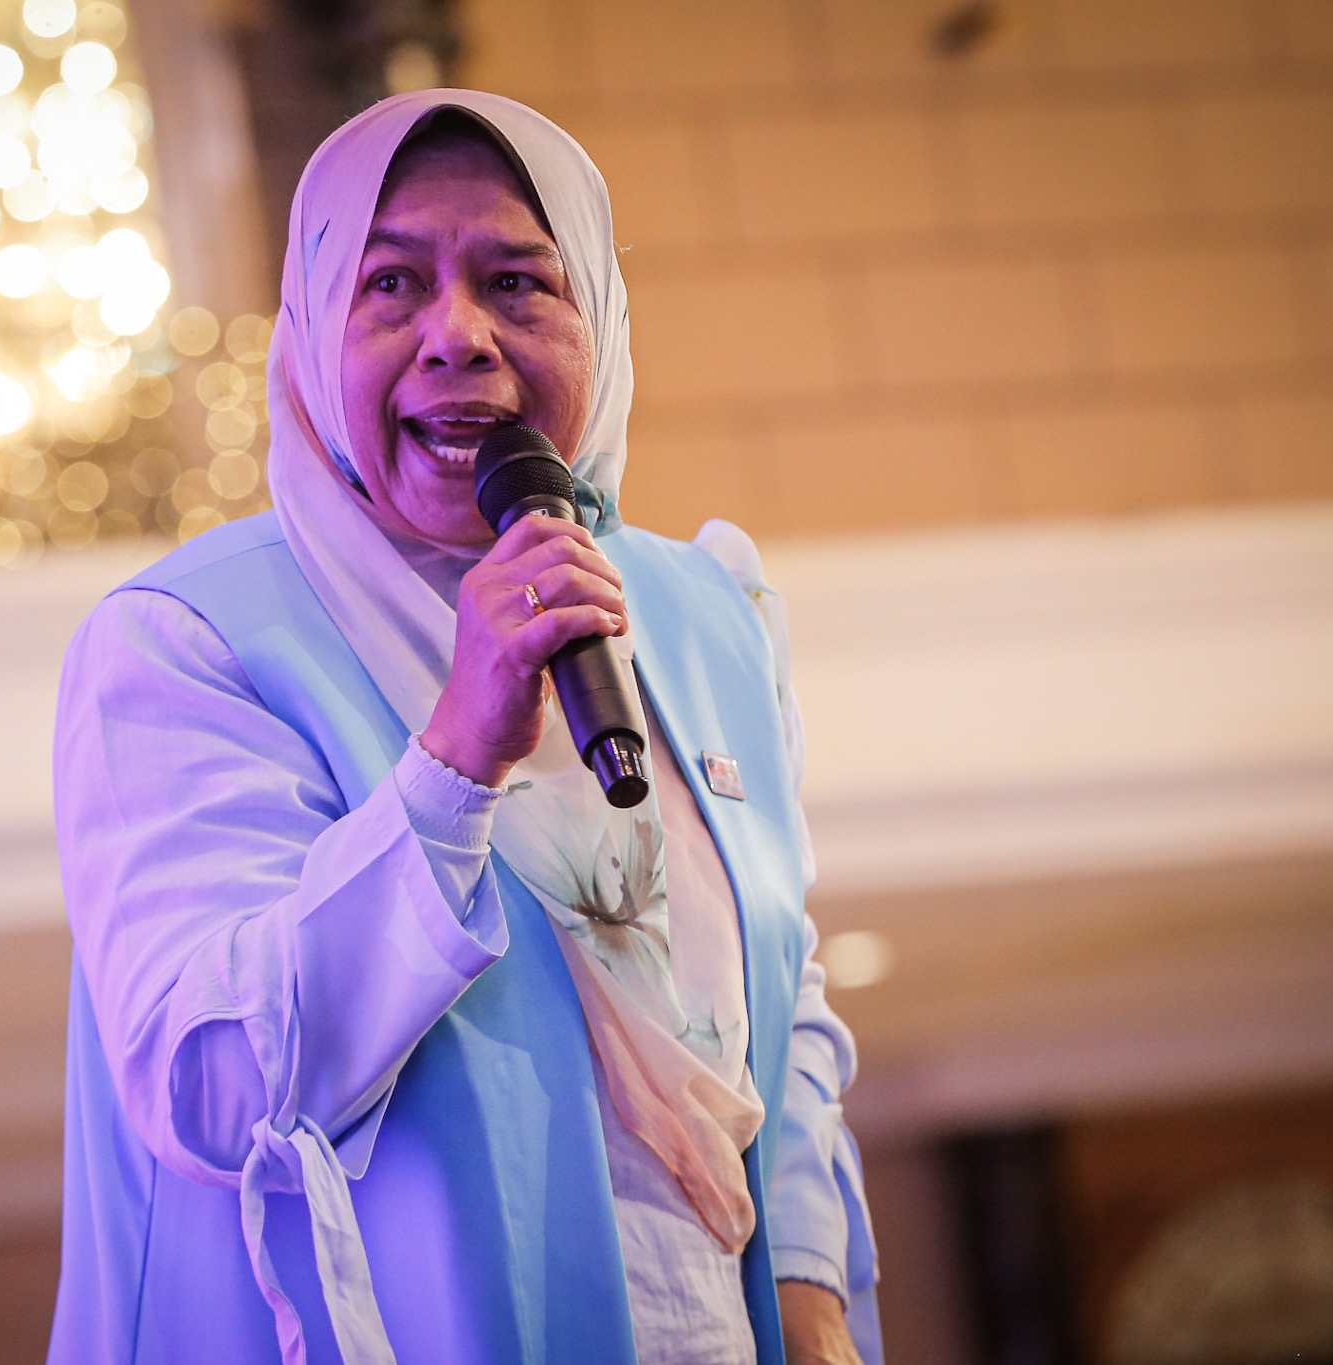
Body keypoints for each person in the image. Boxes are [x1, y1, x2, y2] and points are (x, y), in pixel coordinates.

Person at [47, 89, 880, 1365]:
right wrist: (456, 755)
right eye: (390, 285)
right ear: (310, 327)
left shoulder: (707, 617)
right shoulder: (190, 646)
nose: (457, 336)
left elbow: (782, 1002)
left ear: (599, 316)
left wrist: (811, 1308)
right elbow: (211, 1087)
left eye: (516, 283)